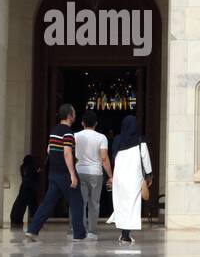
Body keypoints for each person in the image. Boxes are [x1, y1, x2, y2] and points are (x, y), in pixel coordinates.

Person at [26, 103, 86, 242]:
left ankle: (32, 229)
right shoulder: (68, 132)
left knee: (47, 203)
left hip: (53, 173)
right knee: (77, 202)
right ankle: (79, 234)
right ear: (70, 116)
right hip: (65, 174)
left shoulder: (54, 131)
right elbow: (67, 153)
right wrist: (72, 174)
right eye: (74, 113)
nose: (75, 116)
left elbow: (49, 150)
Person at [107, 114, 152, 244]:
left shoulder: (117, 140)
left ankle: (124, 233)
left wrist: (111, 176)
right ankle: (125, 234)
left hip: (120, 178)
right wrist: (149, 175)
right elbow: (146, 159)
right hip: (134, 177)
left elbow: (113, 158)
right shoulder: (140, 141)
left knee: (122, 204)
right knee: (132, 205)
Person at [74, 109, 112, 240]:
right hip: (96, 173)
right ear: (96, 123)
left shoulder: (75, 136)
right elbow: (104, 158)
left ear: (82, 122)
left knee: (80, 202)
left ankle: (78, 229)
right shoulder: (101, 137)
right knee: (94, 203)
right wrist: (110, 175)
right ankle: (92, 231)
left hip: (79, 171)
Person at [9, 153, 39, 227]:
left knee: (20, 204)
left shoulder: (23, 167)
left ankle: (16, 220)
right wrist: (37, 172)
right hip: (30, 188)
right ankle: (37, 221)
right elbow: (32, 176)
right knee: (33, 206)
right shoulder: (31, 167)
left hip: (24, 188)